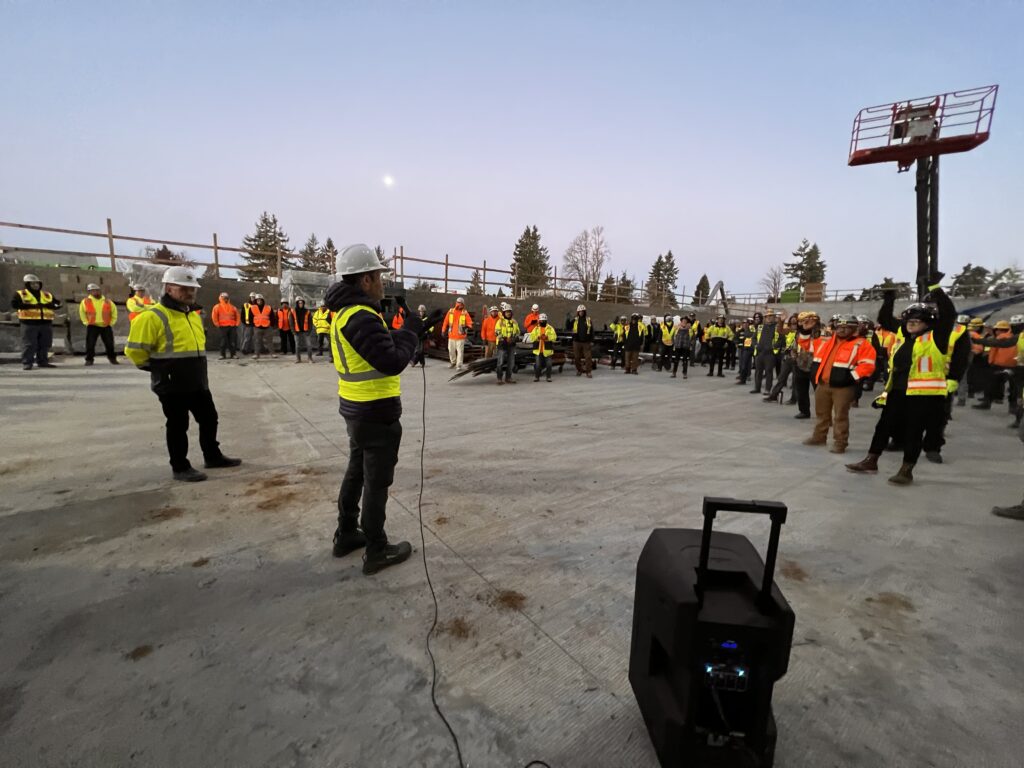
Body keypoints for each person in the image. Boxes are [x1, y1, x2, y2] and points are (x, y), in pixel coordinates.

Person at [325, 244, 442, 574]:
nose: (382, 283)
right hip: (375, 413)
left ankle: (346, 533)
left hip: (356, 410)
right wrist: (409, 335)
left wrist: (408, 331)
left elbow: (378, 343)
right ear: (364, 280)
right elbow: (390, 360)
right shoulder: (361, 315)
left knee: (356, 470)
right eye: (378, 276)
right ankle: (376, 549)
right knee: (376, 482)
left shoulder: (346, 314)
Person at [125, 266, 241, 482]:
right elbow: (134, 350)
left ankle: (212, 456)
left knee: (209, 418)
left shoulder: (193, 315)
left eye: (192, 289)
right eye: (184, 288)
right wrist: (156, 369)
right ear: (169, 289)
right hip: (171, 384)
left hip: (197, 379)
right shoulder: (152, 316)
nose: (190, 293)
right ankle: (180, 466)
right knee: (178, 425)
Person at [846, 283, 955, 485]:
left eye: (917, 320)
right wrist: (889, 298)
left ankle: (906, 470)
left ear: (927, 323)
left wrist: (936, 288)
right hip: (897, 391)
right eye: (909, 320)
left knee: (913, 431)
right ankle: (871, 460)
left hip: (924, 395)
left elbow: (949, 314)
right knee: (883, 427)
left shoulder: (936, 338)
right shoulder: (904, 336)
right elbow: (885, 320)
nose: (911, 323)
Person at [803, 315, 876, 454]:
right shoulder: (826, 341)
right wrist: (805, 331)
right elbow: (806, 345)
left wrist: (850, 378)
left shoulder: (862, 344)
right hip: (823, 384)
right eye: (840, 327)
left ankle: (840, 443)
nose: (842, 330)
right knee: (821, 414)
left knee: (840, 416)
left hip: (843, 388)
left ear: (854, 329)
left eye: (846, 327)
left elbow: (868, 366)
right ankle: (819, 437)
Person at [12, 273, 62, 370]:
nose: (36, 285)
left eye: (37, 283)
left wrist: (52, 305)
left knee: (45, 343)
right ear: (27, 285)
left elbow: (57, 303)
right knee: (29, 344)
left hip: (45, 323)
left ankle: (43, 361)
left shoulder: (47, 294)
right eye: (32, 284)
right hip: (29, 323)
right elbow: (14, 305)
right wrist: (32, 306)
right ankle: (27, 363)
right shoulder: (20, 294)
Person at [973, 320, 1019, 411]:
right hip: (1014, 364)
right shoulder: (1016, 337)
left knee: (991, 384)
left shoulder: (1002, 337)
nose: (996, 331)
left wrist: (977, 341)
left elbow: (994, 346)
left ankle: (988, 402)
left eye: (997, 329)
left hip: (999, 364)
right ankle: (1012, 405)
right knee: (1013, 387)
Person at [78, 282, 119, 366]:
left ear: (100, 291)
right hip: (92, 326)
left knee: (109, 344)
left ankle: (112, 358)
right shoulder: (85, 301)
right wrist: (86, 322)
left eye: (96, 290)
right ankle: (89, 359)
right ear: (89, 292)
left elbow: (114, 312)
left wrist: (112, 322)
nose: (95, 292)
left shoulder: (108, 301)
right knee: (90, 344)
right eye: (93, 291)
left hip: (106, 326)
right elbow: (82, 312)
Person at [790, 311, 820, 419]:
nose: (803, 323)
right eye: (801, 321)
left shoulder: (819, 332)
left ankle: (824, 414)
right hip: (800, 364)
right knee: (801, 390)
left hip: (815, 365)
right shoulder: (799, 333)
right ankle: (804, 411)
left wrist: (809, 329)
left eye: (805, 320)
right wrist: (794, 356)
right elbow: (795, 345)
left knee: (820, 392)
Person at [766, 314, 799, 404]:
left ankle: (793, 399)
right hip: (788, 358)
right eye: (792, 322)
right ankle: (774, 396)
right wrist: (781, 320)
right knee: (781, 378)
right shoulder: (789, 331)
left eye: (795, 322)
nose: (793, 324)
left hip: (798, 359)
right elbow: (779, 330)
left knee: (795, 381)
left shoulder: (802, 333)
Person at [751, 310, 780, 395]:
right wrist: (755, 345)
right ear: (765, 318)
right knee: (758, 371)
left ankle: (767, 389)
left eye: (771, 316)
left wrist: (772, 347)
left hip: (770, 354)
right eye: (768, 316)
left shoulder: (777, 327)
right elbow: (753, 338)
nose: (769, 318)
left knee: (768, 371)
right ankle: (757, 388)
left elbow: (781, 340)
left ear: (774, 317)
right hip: (760, 353)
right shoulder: (760, 327)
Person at [441, 296, 473, 370]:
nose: (460, 305)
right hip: (451, 335)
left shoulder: (465, 313)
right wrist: (443, 330)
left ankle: (458, 365)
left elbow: (470, 323)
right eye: (459, 303)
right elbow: (446, 321)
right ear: (456, 303)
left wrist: (467, 326)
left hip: (460, 336)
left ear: (463, 305)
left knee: (460, 352)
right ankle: (453, 362)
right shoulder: (451, 311)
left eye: (461, 304)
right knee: (451, 350)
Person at [494, 302, 520, 385]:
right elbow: (497, 332)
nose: (508, 313)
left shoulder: (514, 322)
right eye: (506, 312)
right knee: (500, 362)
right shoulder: (500, 322)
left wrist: (514, 338)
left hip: (511, 345)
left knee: (511, 362)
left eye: (509, 311)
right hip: (502, 344)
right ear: (504, 313)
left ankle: (508, 377)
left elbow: (518, 332)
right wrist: (505, 338)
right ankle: (499, 378)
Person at [210, 292, 240, 359]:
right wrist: (217, 324)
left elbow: (237, 316)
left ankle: (233, 354)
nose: (225, 299)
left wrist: (237, 324)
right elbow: (214, 316)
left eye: (226, 298)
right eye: (224, 298)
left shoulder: (233, 307)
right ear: (221, 298)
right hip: (222, 327)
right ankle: (222, 355)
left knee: (233, 341)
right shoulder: (217, 307)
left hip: (232, 326)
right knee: (223, 341)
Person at [529, 313, 557, 381]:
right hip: (538, 350)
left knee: (549, 365)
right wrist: (538, 337)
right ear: (539, 321)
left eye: (544, 320)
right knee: (538, 365)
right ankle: (537, 377)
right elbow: (531, 338)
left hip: (547, 350)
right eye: (541, 320)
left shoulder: (550, 328)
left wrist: (547, 337)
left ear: (546, 320)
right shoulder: (536, 329)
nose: (542, 321)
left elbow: (554, 337)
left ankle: (548, 377)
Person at [249, 293, 275, 359]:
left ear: (263, 300)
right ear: (256, 301)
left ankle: (272, 354)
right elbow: (250, 317)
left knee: (269, 341)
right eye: (258, 300)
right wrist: (253, 325)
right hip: (257, 327)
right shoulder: (252, 308)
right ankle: (257, 355)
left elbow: (272, 317)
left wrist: (271, 325)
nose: (259, 301)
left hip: (267, 327)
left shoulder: (268, 307)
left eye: (260, 300)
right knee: (257, 342)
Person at [572, 304, 594, 377]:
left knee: (588, 357)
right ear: (577, 312)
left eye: (582, 311)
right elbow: (568, 326)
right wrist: (568, 320)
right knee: (577, 357)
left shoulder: (588, 320)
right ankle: (579, 370)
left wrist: (591, 340)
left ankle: (588, 372)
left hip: (586, 342)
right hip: (577, 341)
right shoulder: (575, 320)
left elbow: (592, 331)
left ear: (584, 312)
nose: (581, 313)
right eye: (580, 311)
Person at [290, 298, 315, 363]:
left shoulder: (307, 311)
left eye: (302, 303)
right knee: (297, 346)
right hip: (297, 331)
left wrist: (309, 331)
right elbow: (291, 322)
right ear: (297, 303)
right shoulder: (293, 311)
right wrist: (293, 331)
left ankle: (310, 358)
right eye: (299, 303)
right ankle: (298, 359)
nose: (300, 304)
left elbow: (310, 322)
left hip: (306, 331)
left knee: (309, 345)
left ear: (303, 303)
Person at [734, 319, 754, 385]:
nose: (745, 324)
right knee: (742, 363)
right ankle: (742, 376)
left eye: (746, 323)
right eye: (744, 323)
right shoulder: (740, 331)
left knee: (747, 363)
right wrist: (737, 343)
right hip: (741, 349)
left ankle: (747, 375)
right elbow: (736, 338)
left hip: (748, 349)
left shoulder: (751, 331)